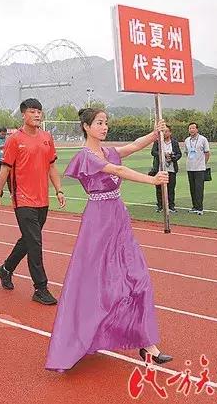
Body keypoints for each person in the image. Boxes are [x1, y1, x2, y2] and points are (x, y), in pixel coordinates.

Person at [45, 109, 172, 371]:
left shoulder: (108, 150)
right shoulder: (86, 156)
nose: (104, 127)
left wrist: (155, 133)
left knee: (138, 278)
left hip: (118, 218)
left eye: (106, 123)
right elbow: (117, 170)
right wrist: (152, 180)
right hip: (97, 223)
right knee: (94, 284)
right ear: (86, 127)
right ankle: (78, 340)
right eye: (99, 123)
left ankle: (147, 343)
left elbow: (134, 146)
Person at [0, 98, 65, 306]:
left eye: (39, 111)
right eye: (32, 111)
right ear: (23, 114)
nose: (37, 115)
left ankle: (5, 269)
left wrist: (59, 190)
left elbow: (51, 167)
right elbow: (5, 170)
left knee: (29, 240)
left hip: (43, 200)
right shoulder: (15, 140)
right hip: (22, 199)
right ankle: (40, 288)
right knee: (35, 243)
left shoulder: (47, 137)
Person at [150, 124, 181, 213]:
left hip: (171, 168)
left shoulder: (174, 142)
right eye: (163, 131)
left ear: (170, 132)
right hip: (160, 169)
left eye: (166, 131)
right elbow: (153, 152)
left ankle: (171, 206)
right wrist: (163, 154)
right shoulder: (158, 142)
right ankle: (160, 206)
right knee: (159, 188)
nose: (165, 133)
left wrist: (173, 157)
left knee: (171, 188)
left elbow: (179, 154)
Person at [185, 122, 211, 215]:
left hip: (200, 168)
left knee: (199, 188)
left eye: (193, 128)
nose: (191, 130)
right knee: (192, 188)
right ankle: (194, 206)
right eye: (190, 128)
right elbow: (186, 152)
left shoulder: (203, 139)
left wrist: (203, 163)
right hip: (190, 167)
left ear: (197, 129)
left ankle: (200, 208)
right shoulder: (187, 140)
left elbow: (207, 153)